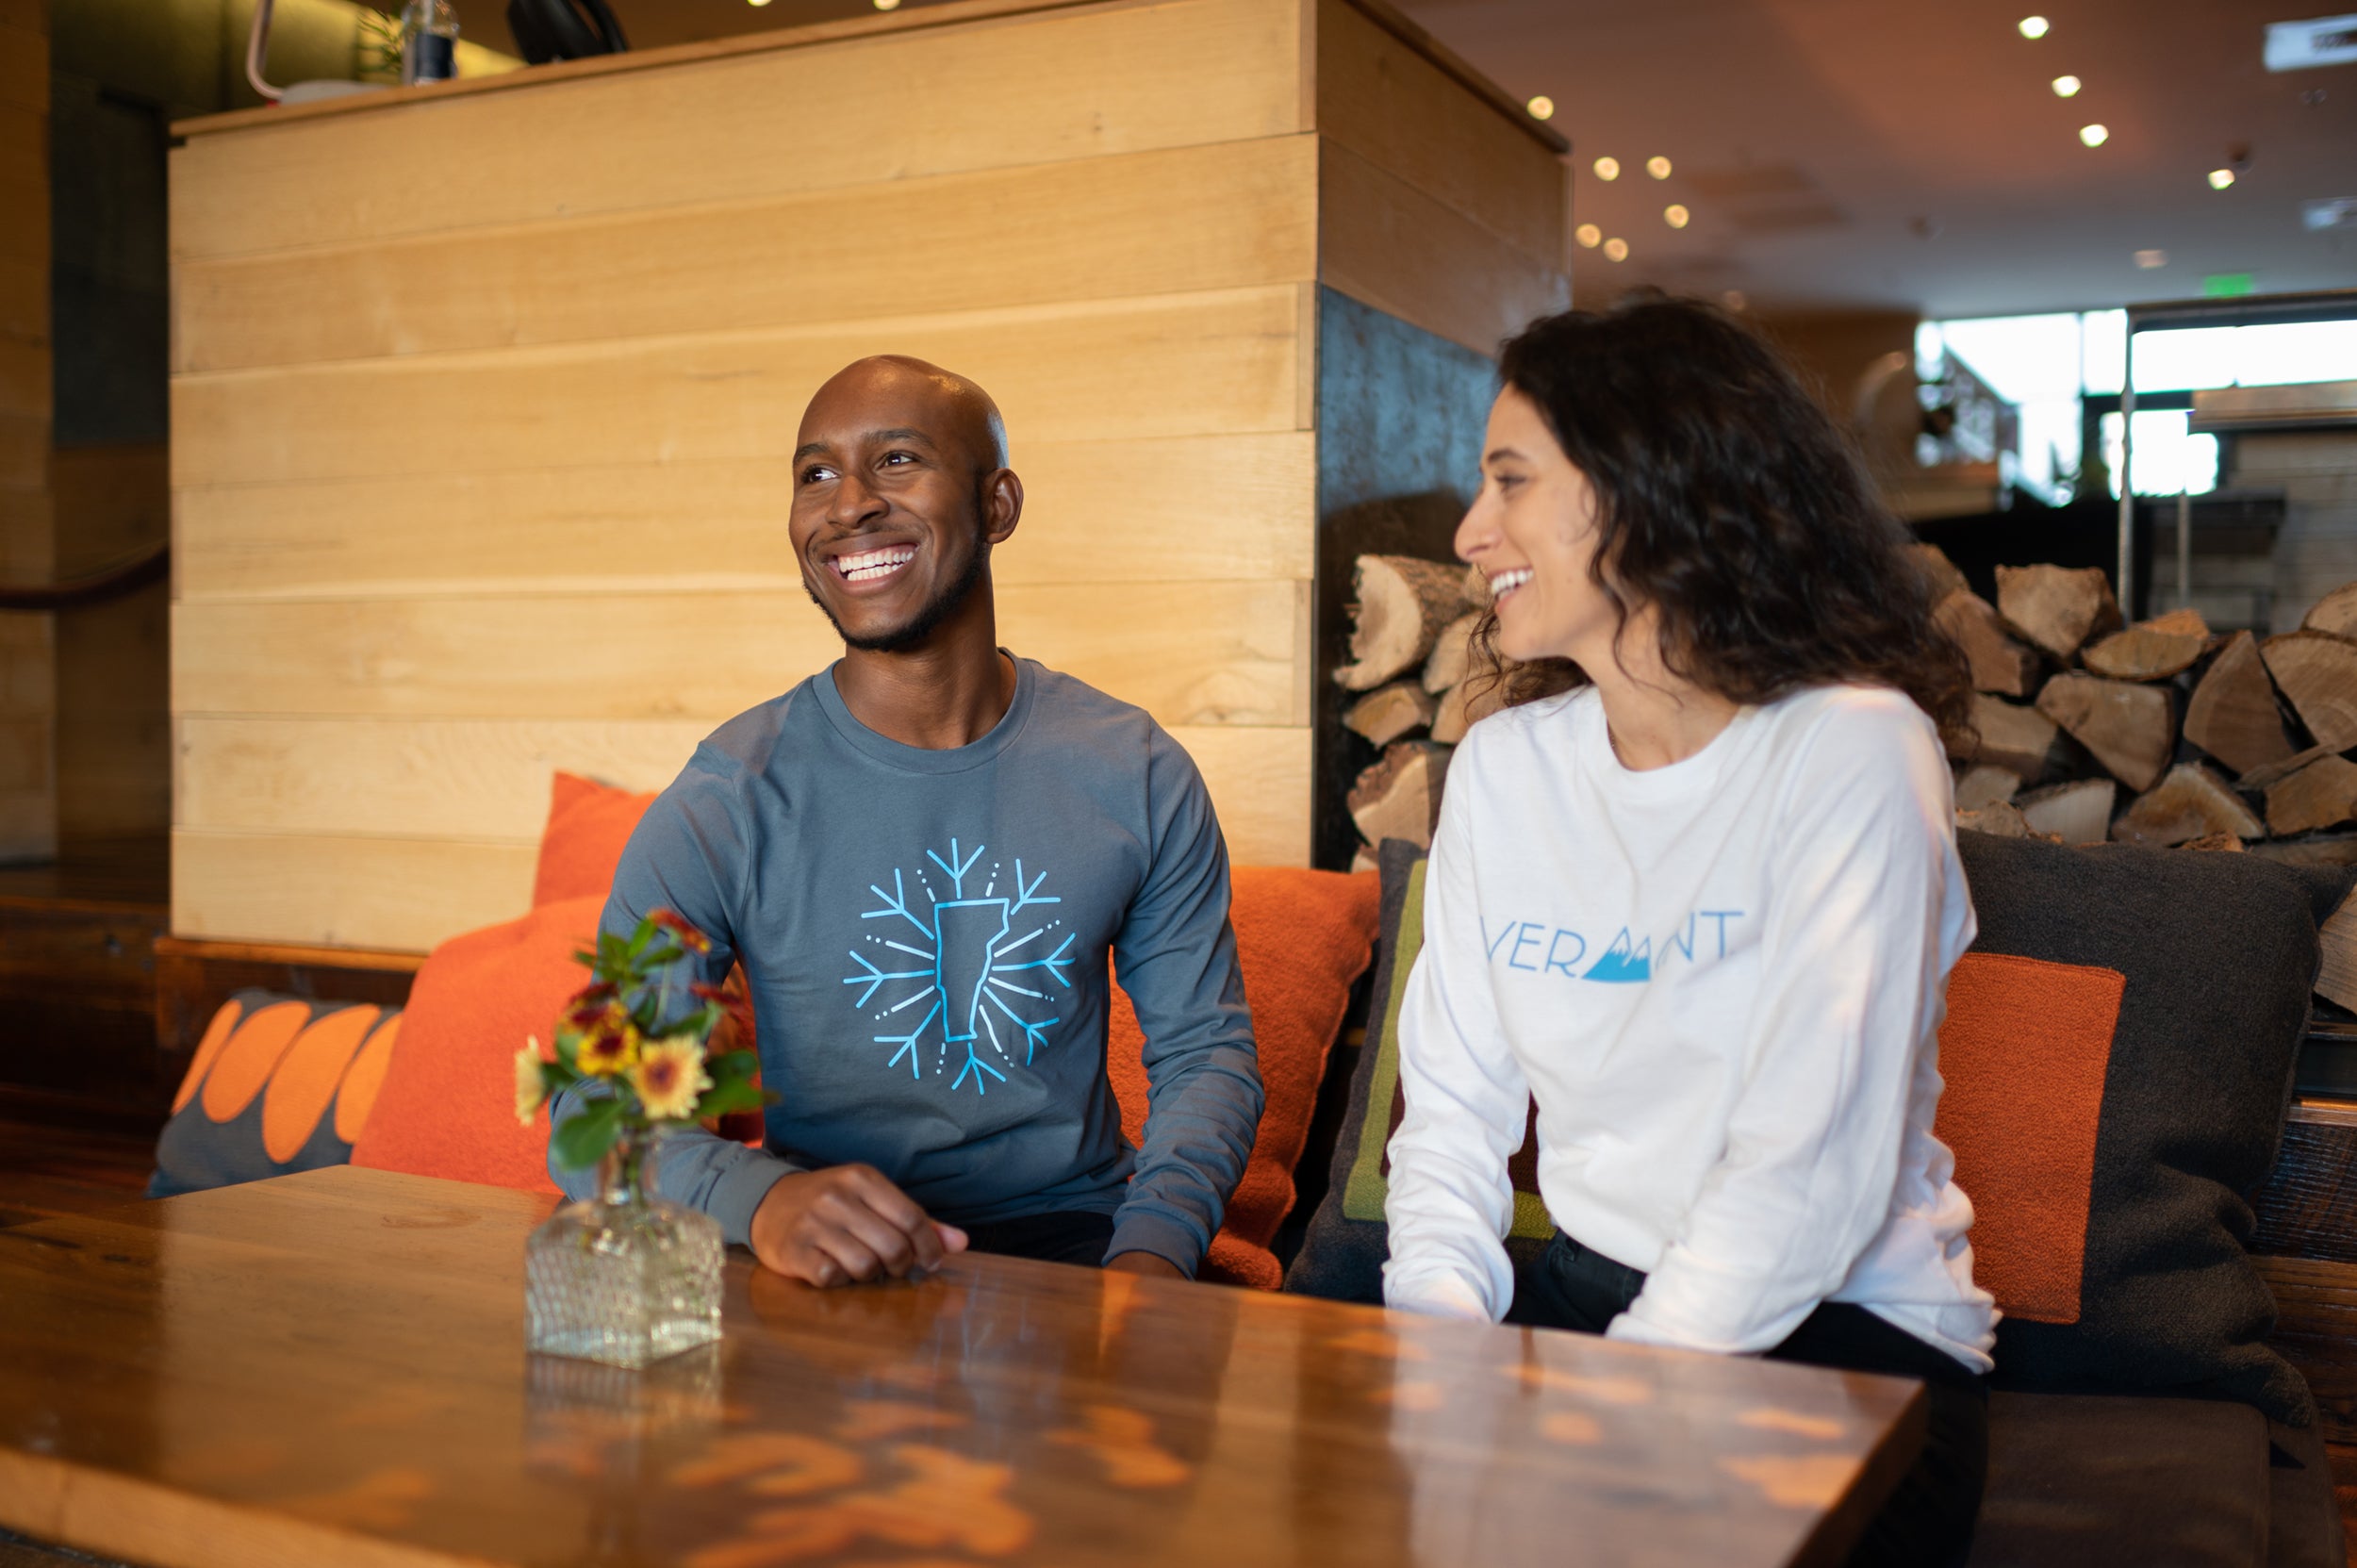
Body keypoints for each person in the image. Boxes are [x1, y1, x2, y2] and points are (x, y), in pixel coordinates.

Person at [1380, 297, 1996, 1564]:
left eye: (1511, 480)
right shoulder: (1502, 766)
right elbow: (1451, 1114)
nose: (1468, 531)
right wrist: (1434, 1357)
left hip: (1842, 1336)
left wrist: (1599, 1421)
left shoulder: (1853, 749)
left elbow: (1804, 1175)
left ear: (1649, 489)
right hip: (1589, 1297)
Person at [550, 355, 1261, 1286]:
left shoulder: (1134, 769)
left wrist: (1151, 1258)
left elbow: (1206, 1055)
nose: (847, 504)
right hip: (822, 1258)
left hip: (1077, 1251)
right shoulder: (727, 797)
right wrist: (756, 1198)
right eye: (815, 473)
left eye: (894, 460)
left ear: (997, 506)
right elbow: (592, 1115)